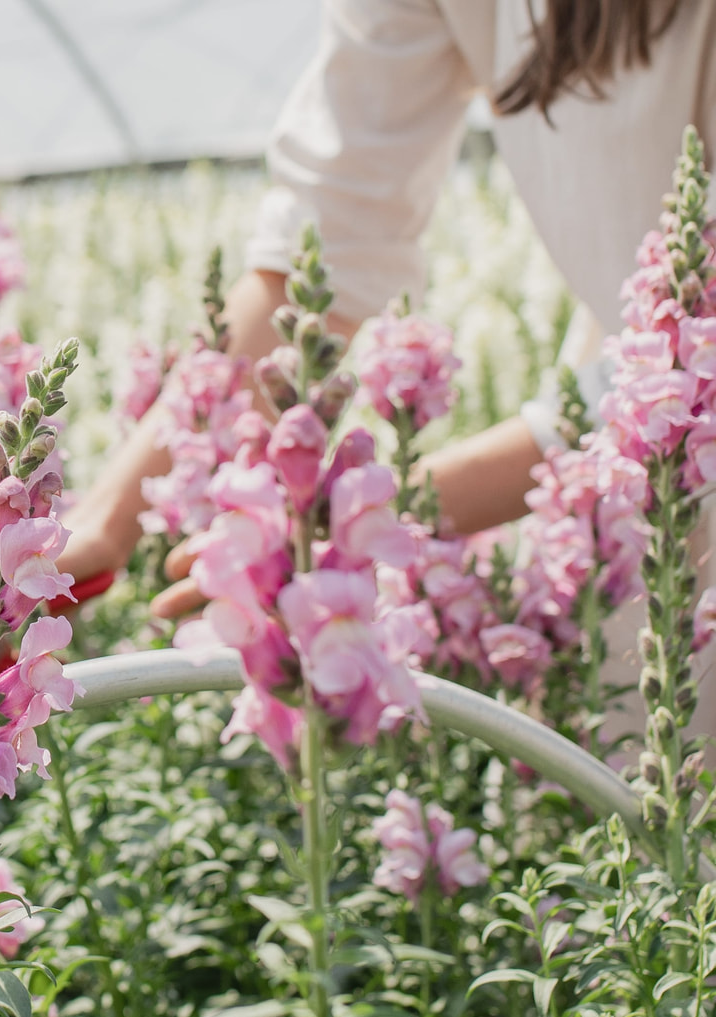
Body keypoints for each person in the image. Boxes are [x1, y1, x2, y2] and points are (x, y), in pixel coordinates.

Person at [58, 0, 707, 617]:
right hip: (635, 467)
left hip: (651, 440)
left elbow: (688, 375)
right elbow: (329, 233)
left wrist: (344, 520)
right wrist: (99, 528)